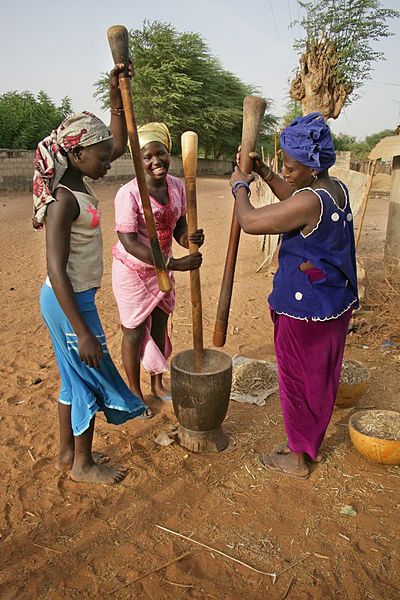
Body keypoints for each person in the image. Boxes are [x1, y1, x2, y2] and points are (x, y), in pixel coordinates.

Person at [34, 63, 152, 485]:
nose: (109, 163)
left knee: (70, 377)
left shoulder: (80, 180)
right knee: (87, 374)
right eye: (102, 159)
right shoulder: (63, 200)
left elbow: (117, 141)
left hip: (71, 298)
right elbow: (55, 269)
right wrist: (82, 330)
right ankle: (84, 465)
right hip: (68, 300)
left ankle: (67, 452)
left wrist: (116, 92)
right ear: (78, 153)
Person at [231, 112, 358, 479]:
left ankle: (299, 457)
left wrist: (241, 186)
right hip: (331, 301)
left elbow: (251, 222)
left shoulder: (309, 202)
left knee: (296, 380)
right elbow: (297, 198)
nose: (284, 173)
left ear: (311, 168)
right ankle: (306, 442)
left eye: (289, 167)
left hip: (304, 309)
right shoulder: (333, 190)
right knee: (319, 377)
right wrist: (267, 174)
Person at [111, 122, 204, 401]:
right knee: (135, 330)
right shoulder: (128, 194)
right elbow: (128, 242)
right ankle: (134, 391)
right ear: (138, 161)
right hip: (133, 272)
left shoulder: (177, 186)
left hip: (162, 270)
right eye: (147, 157)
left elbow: (179, 226)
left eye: (160, 154)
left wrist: (189, 237)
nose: (156, 161)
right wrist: (172, 264)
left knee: (161, 325)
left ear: (169, 154)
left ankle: (157, 384)